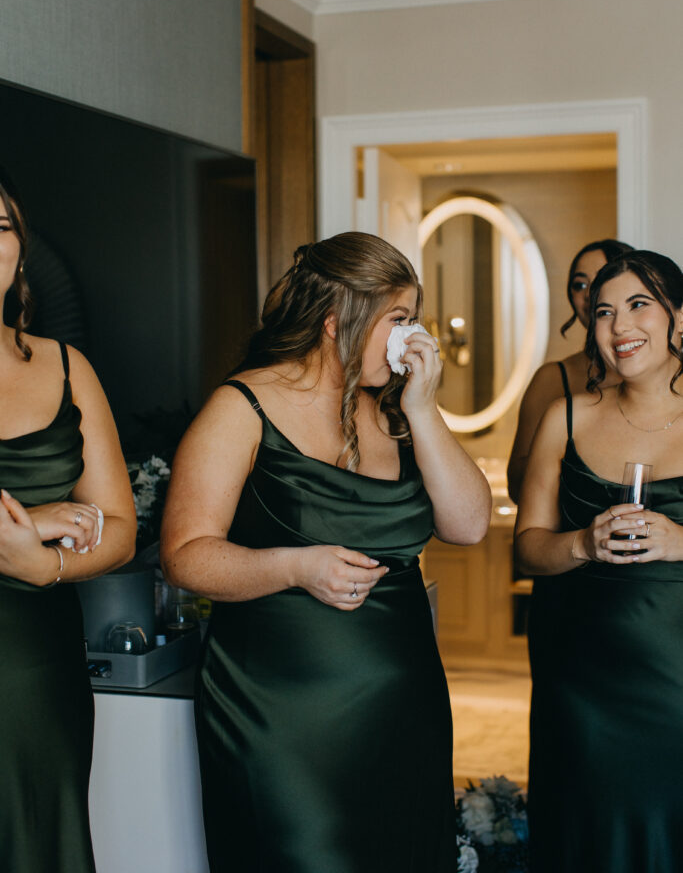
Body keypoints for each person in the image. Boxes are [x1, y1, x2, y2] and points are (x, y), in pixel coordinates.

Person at [161, 232, 491, 873]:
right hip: (281, 717)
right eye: (397, 319)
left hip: (403, 712)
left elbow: (470, 525)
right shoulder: (243, 406)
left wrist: (424, 411)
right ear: (339, 319)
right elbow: (184, 555)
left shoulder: (397, 412)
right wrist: (294, 565)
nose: (410, 337)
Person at [515, 249, 683, 872]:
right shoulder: (566, 418)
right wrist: (583, 544)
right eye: (605, 312)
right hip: (581, 681)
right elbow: (528, 547)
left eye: (640, 305)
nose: (619, 327)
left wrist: (679, 541)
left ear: (680, 319)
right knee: (587, 830)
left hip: (676, 679)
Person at [0, 171, 137, 873]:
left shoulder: (64, 365)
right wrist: (36, 518)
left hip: (38, 670)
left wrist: (44, 564)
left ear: (20, 251)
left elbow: (119, 528)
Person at [507, 238, 632, 502]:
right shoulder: (552, 379)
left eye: (601, 278)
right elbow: (517, 487)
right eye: (580, 285)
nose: (589, 294)